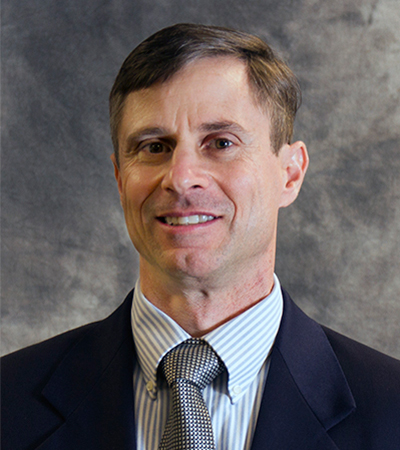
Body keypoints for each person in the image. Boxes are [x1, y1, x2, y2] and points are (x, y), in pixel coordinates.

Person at [2, 23, 400, 450]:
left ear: (290, 173)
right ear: (120, 178)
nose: (181, 178)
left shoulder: (390, 409)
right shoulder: (8, 402)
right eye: (154, 146)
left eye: (221, 143)